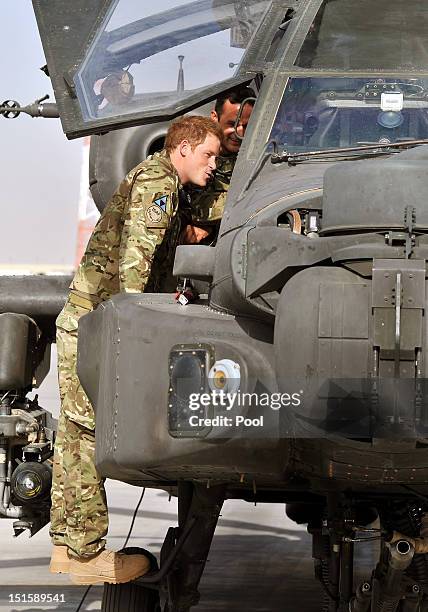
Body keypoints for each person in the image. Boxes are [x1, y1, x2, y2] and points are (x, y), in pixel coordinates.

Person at [49, 115, 222, 586]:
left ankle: (68, 546)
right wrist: (135, 328)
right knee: (87, 429)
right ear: (182, 148)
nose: (212, 164)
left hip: (86, 316)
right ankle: (88, 554)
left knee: (74, 430)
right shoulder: (158, 183)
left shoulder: (159, 178)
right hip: (101, 321)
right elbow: (134, 262)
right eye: (208, 154)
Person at [183, 85, 256, 245]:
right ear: (214, 118)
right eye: (232, 124)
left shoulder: (255, 159)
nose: (239, 133)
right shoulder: (192, 152)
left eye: (246, 126)